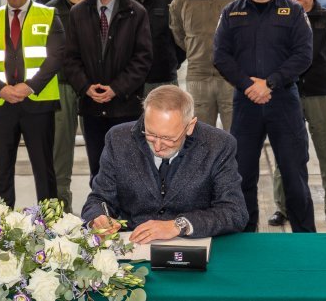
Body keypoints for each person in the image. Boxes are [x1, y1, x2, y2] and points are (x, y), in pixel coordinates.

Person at [213, 0, 316, 233]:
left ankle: (306, 238)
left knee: (294, 174)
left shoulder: (293, 12)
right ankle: (246, 235)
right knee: (242, 174)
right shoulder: (232, 11)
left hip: (283, 101)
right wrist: (249, 86)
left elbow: (303, 55)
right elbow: (221, 56)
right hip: (246, 104)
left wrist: (269, 83)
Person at [82, 85, 247, 242]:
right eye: (151, 135)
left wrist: (178, 225)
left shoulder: (218, 145)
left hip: (194, 244)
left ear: (190, 126)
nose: (158, 146)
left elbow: (234, 212)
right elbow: (99, 198)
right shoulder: (118, 139)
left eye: (168, 138)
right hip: (134, 246)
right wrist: (98, 218)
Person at [0, 0, 63, 206]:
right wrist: (1, 89)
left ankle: (49, 222)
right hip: (2, 104)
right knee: (1, 169)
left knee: (44, 170)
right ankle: (2, 224)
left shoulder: (48, 15)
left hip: (38, 104)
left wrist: (29, 87)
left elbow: (56, 57)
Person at [269, 0, 326, 229]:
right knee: (286, 153)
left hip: (319, 94)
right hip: (286, 94)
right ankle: (283, 207)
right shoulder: (280, 18)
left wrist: (324, 76)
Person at [62, 0, 152, 182]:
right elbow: (71, 58)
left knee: (128, 170)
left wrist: (116, 88)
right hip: (92, 107)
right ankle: (101, 216)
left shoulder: (136, 13)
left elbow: (143, 59)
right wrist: (85, 87)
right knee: (98, 171)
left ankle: (126, 218)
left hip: (125, 106)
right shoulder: (78, 13)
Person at [169, 0, 247, 130]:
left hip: (233, 76)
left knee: (237, 135)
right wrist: (196, 50)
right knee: (200, 138)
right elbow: (178, 32)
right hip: (199, 75)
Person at [45, 0, 91, 212]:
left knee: (100, 151)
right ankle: (61, 210)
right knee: (59, 154)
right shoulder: (50, 11)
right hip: (61, 87)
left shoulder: (100, 7)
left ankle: (102, 208)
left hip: (93, 89)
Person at [129, 0, 184, 95]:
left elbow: (182, 41)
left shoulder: (171, 2)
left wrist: (170, 63)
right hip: (129, 82)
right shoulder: (123, 4)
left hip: (164, 81)